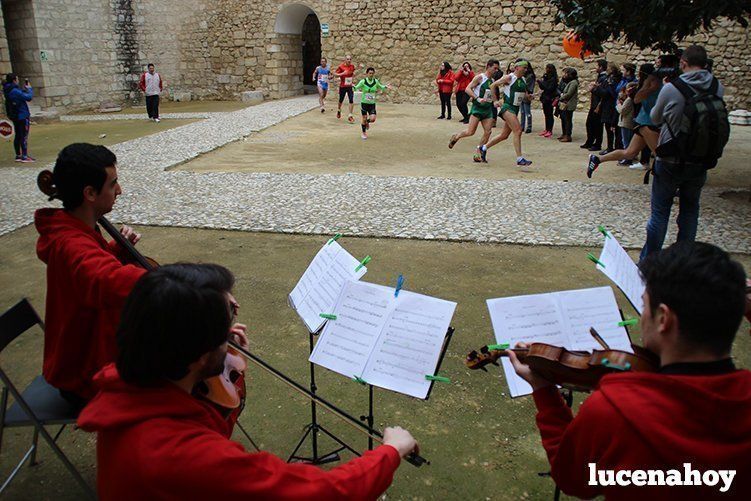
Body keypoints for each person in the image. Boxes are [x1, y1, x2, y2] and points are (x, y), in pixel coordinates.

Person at [77, 263, 420, 499]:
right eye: (221, 329)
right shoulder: (181, 456)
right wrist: (390, 451)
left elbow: (214, 421)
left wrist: (227, 368)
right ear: (195, 355)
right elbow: (326, 493)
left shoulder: (138, 381)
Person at [508, 241, 751, 499]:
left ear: (663, 319)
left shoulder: (615, 410)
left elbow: (572, 479)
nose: (642, 314)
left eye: (645, 306)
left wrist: (544, 391)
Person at [35, 143, 147, 407]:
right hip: (84, 374)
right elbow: (105, 280)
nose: (119, 190)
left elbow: (89, 269)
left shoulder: (76, 230)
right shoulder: (70, 243)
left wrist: (114, 250)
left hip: (87, 350)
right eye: (113, 184)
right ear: (90, 193)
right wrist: (188, 284)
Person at [639, 45, 726, 261]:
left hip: (670, 157)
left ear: (683, 63)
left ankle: (650, 260)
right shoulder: (717, 87)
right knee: (689, 210)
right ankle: (684, 260)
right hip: (700, 158)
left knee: (660, 212)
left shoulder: (673, 88)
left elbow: (655, 118)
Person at [586, 64, 662, 177]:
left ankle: (597, 159)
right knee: (661, 156)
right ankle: (667, 184)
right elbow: (637, 99)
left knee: (630, 152)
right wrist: (649, 86)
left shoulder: (653, 85)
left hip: (645, 122)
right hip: (648, 123)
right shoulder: (649, 86)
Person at [475, 60, 533, 167]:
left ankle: (483, 148)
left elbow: (523, 95)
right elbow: (493, 85)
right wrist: (495, 100)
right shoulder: (509, 77)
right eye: (524, 67)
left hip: (515, 109)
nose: (526, 70)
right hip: (507, 108)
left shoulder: (523, 80)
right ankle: (519, 158)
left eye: (526, 68)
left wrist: (528, 97)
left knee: (504, 135)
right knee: (518, 130)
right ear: (517, 68)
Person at [448, 59, 500, 152]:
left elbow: (491, 95)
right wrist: (477, 98)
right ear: (488, 67)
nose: (496, 71)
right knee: (470, 132)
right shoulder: (480, 78)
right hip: (477, 108)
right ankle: (457, 136)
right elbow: (468, 89)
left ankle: (478, 152)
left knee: (488, 132)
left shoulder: (492, 81)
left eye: (497, 69)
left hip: (487, 109)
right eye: (494, 68)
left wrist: (495, 101)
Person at [3, 73, 35, 162]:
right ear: (14, 80)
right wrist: (29, 89)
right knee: (24, 135)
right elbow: (28, 97)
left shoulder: (8, 89)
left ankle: (18, 154)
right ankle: (24, 156)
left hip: (15, 115)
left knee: (18, 135)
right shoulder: (15, 91)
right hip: (22, 115)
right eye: (17, 79)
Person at [353, 67, 391, 139]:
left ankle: (367, 122)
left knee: (373, 119)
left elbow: (381, 87)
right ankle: (364, 133)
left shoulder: (375, 81)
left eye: (372, 73)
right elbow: (356, 87)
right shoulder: (363, 81)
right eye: (370, 73)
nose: (371, 74)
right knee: (364, 118)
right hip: (364, 103)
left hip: (372, 104)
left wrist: (386, 86)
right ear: (367, 74)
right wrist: (352, 87)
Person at [580, 59, 608, 151]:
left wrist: (593, 89)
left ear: (601, 67)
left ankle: (597, 143)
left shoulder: (604, 78)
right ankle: (590, 141)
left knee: (597, 125)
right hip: (594, 104)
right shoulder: (600, 77)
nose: (595, 68)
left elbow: (603, 93)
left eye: (597, 66)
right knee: (590, 124)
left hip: (598, 105)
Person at [594, 63, 622, 154]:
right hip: (608, 105)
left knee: (611, 127)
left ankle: (612, 147)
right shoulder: (610, 79)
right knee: (610, 127)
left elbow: (607, 93)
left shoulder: (612, 80)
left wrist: (597, 88)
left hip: (610, 105)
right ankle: (612, 146)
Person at [557, 68, 579, 143]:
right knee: (564, 119)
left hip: (569, 104)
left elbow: (569, 93)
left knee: (567, 120)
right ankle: (564, 133)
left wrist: (561, 97)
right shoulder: (569, 82)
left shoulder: (573, 83)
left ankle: (568, 135)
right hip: (565, 103)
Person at [538, 64, 559, 138]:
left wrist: (542, 83)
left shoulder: (553, 79)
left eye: (547, 68)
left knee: (549, 114)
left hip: (550, 98)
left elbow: (549, 88)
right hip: (545, 98)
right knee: (546, 114)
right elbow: (543, 87)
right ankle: (546, 129)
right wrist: (541, 82)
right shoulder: (546, 77)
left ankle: (550, 130)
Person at [334, 55, 357, 122]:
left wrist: (353, 78)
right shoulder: (341, 67)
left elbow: (353, 73)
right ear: (345, 60)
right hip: (343, 87)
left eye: (350, 59)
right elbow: (335, 74)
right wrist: (342, 74)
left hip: (349, 86)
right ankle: (339, 109)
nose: (349, 60)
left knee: (351, 100)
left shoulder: (352, 66)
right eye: (347, 59)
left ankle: (350, 115)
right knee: (341, 100)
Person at [520, 62, 536, 134]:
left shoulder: (530, 76)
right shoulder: (522, 76)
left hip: (526, 94)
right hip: (521, 95)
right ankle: (522, 126)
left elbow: (529, 86)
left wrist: (528, 93)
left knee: (527, 112)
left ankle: (529, 126)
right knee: (522, 112)